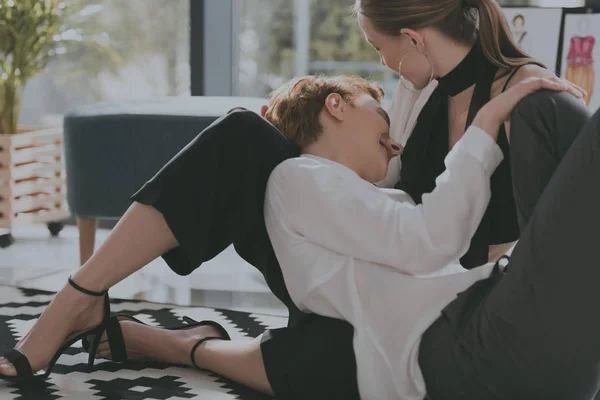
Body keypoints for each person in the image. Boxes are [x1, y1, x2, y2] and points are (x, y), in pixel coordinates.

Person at [0, 0, 589, 397]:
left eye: (378, 47)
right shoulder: (420, 94)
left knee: (335, 362)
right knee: (242, 138)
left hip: (448, 306)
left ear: (412, 37)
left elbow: (541, 253)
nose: (380, 66)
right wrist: (381, 108)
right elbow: (376, 194)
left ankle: (186, 347)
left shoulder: (526, 98)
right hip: (377, 277)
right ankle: (80, 295)